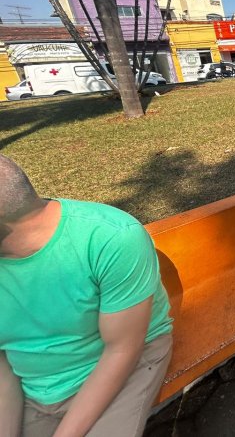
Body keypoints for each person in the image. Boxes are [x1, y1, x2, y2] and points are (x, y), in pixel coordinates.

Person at [0, 155, 173, 437]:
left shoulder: (111, 238)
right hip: (33, 388)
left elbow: (121, 350)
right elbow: (5, 362)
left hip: (121, 364)